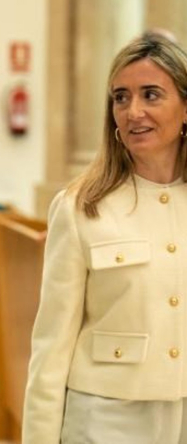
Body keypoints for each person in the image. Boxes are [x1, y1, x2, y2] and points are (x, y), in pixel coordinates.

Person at [23, 33, 187, 443]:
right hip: (105, 419)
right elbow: (52, 345)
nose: (133, 112)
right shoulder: (80, 206)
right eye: (120, 97)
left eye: (151, 95)